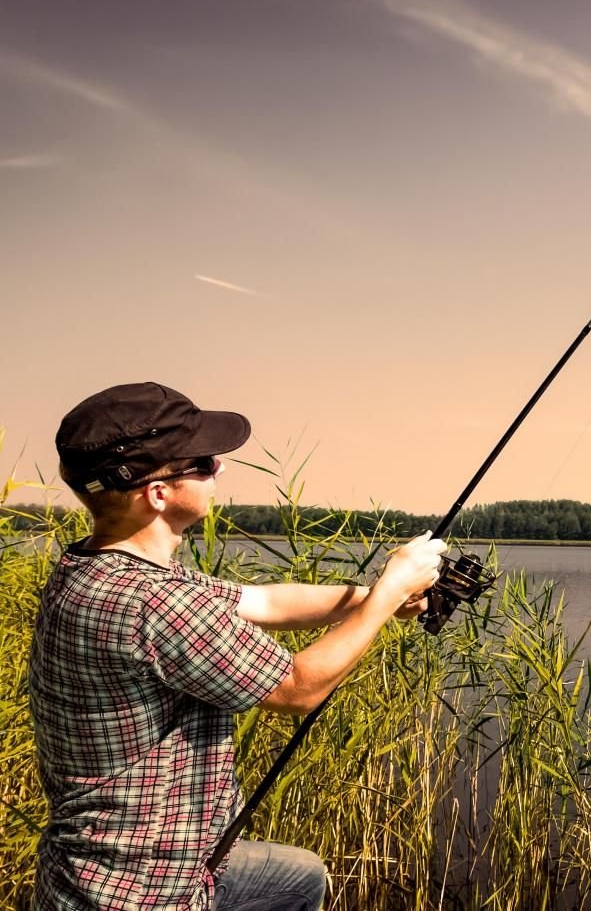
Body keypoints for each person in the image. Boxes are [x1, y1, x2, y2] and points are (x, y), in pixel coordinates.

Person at [29, 382, 447, 911]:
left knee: (300, 879)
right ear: (158, 493)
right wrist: (387, 593)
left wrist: (374, 599)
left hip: (132, 863)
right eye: (203, 463)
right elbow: (298, 688)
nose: (219, 470)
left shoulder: (95, 569)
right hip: (143, 887)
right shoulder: (155, 602)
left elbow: (264, 601)